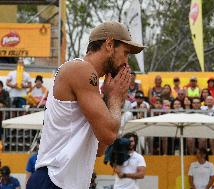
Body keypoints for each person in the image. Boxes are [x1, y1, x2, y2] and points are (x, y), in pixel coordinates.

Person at [27, 21, 144, 189]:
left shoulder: (89, 82)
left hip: (62, 182)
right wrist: (116, 98)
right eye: (125, 53)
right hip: (53, 180)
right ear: (109, 44)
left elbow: (100, 150)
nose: (126, 63)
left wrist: (109, 96)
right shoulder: (81, 69)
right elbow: (110, 134)